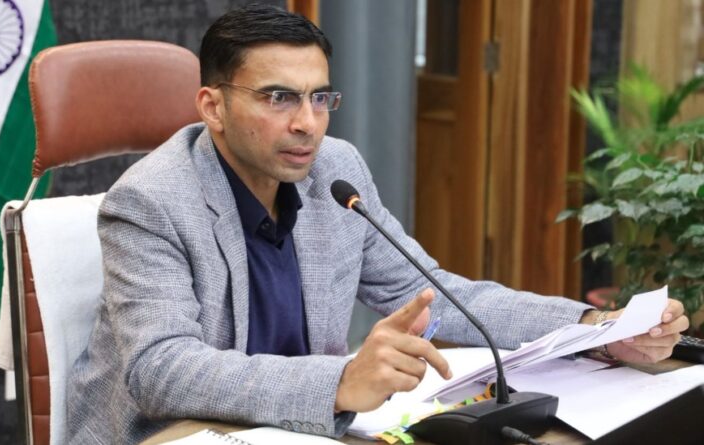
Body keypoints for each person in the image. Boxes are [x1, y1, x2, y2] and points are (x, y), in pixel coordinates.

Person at [66, 4, 688, 444]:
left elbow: (439, 296)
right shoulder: (149, 201)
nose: (307, 123)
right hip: (177, 434)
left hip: (299, 428)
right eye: (279, 98)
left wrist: (591, 328)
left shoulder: (334, 171)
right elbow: (162, 370)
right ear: (214, 106)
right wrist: (340, 381)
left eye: (320, 97)